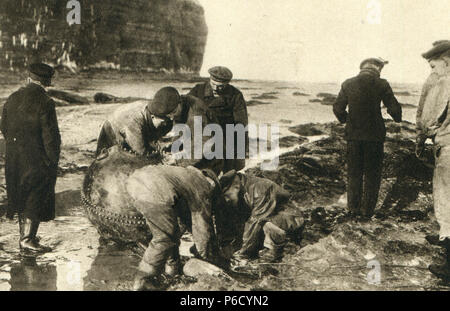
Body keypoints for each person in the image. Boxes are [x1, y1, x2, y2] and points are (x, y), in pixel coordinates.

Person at [125, 165, 227, 290]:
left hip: (136, 182)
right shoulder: (203, 186)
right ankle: (142, 280)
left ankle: (171, 271)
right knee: (163, 238)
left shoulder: (185, 175)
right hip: (154, 190)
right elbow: (202, 228)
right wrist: (205, 258)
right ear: (213, 184)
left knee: (170, 232)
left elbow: (183, 222)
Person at [1, 63, 61, 253]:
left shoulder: (12, 97)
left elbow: (3, 126)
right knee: (35, 196)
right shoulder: (46, 102)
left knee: (20, 193)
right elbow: (51, 137)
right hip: (37, 159)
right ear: (46, 82)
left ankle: (25, 236)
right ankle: (27, 240)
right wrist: (52, 161)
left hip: (14, 158)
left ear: (29, 79)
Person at [333, 57, 402, 220]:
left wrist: (347, 120)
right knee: (372, 174)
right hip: (374, 136)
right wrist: (398, 118)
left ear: (362, 68)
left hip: (354, 135)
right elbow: (393, 108)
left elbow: (337, 108)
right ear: (377, 68)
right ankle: (367, 212)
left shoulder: (348, 83)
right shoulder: (382, 84)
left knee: (354, 173)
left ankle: (352, 209)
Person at [415, 40, 450, 281]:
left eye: (433, 66)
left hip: (448, 148)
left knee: (447, 203)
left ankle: (448, 268)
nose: (433, 72)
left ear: (445, 61)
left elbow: (430, 117)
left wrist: (423, 135)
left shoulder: (446, 81)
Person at [219, 170, 304, 264]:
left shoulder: (259, 189)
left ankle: (274, 254)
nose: (226, 200)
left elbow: (256, 221)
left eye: (227, 195)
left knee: (267, 225)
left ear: (236, 187)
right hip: (267, 218)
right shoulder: (240, 189)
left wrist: (243, 255)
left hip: (289, 218)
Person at [188, 66, 248, 173]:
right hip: (200, 138)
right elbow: (184, 110)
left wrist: (240, 153)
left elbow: (241, 125)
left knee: (227, 175)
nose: (215, 88)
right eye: (213, 84)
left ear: (227, 84)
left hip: (225, 141)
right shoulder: (197, 91)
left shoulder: (235, 95)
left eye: (220, 87)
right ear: (209, 79)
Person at [95, 87, 182, 157]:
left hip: (134, 126)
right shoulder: (134, 121)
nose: (167, 123)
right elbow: (140, 151)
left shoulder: (158, 110)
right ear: (152, 117)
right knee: (105, 159)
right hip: (112, 129)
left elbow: (156, 138)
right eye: (163, 122)